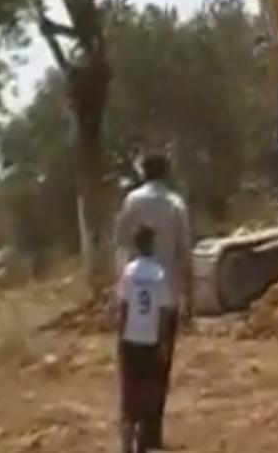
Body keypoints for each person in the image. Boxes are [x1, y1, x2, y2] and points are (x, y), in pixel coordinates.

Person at [114, 151, 193, 450]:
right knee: (159, 370)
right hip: (166, 300)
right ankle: (151, 432)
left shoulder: (131, 202)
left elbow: (120, 243)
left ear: (143, 172)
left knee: (131, 372)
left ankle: (128, 429)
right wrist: (190, 295)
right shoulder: (176, 205)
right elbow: (185, 252)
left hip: (133, 297)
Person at [117, 224, 173, 453]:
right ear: (152, 244)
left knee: (129, 393)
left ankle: (126, 445)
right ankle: (143, 443)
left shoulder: (129, 272)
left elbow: (123, 307)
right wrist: (164, 342)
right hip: (151, 341)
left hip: (131, 339)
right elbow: (163, 312)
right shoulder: (159, 274)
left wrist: (120, 337)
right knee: (149, 393)